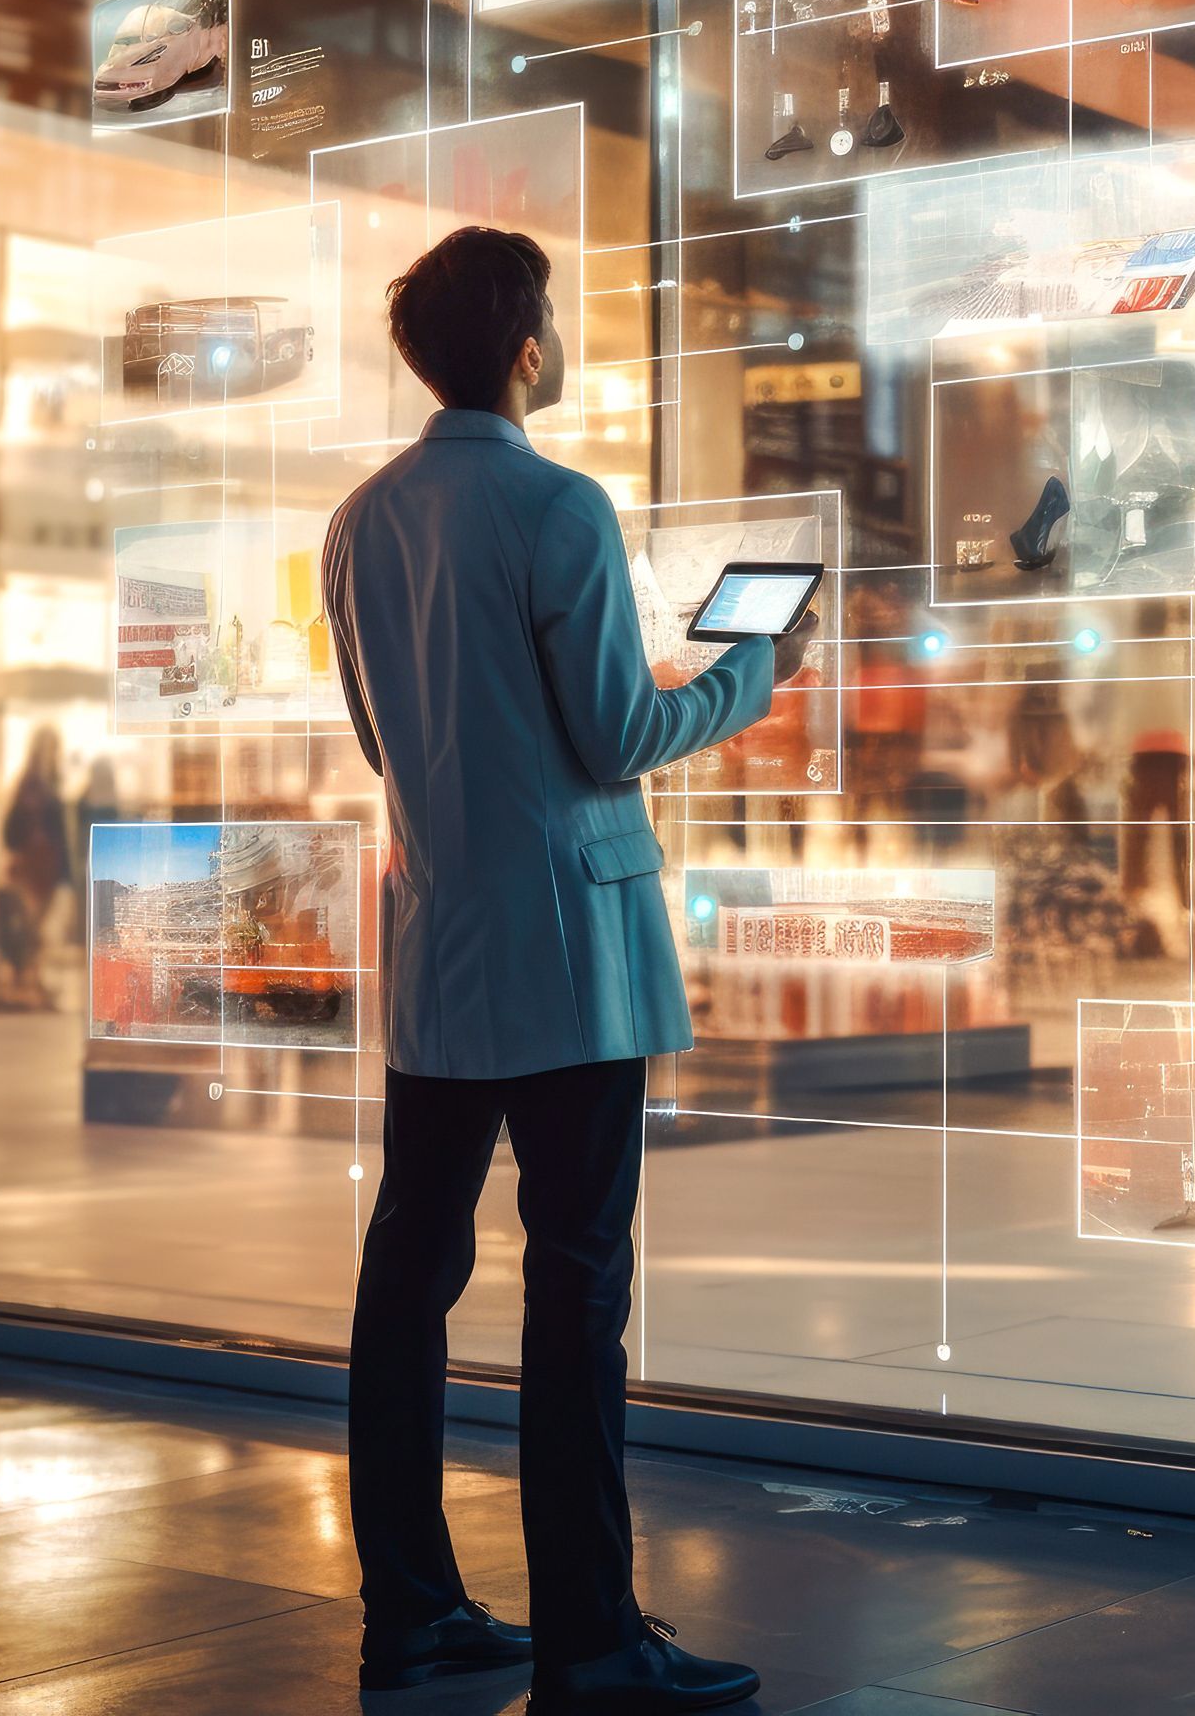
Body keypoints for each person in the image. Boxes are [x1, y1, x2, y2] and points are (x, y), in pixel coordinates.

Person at [321, 227, 810, 1712]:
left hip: (439, 953)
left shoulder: (358, 522)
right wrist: (752, 671)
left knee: (407, 1281)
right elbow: (616, 736)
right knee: (575, 1291)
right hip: (572, 966)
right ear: (527, 347)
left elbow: (382, 741)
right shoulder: (556, 507)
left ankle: (410, 1613)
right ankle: (593, 1635)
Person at [0, 726, 71, 1010]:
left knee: (39, 925)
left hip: (48, 865)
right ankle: (27, 982)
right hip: (33, 865)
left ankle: (33, 981)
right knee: (30, 924)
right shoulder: (32, 783)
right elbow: (13, 827)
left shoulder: (50, 782)